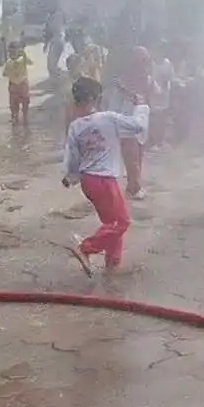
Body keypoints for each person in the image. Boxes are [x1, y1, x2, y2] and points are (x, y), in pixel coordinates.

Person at [62, 75, 148, 275]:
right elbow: (138, 126)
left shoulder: (75, 126)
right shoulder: (108, 118)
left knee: (111, 225)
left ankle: (112, 266)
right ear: (94, 98)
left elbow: (72, 157)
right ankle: (85, 248)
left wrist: (71, 177)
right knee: (121, 222)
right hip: (104, 180)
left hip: (89, 182)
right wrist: (141, 106)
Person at [112, 47, 153, 199]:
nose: (142, 65)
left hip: (142, 122)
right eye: (139, 61)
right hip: (126, 123)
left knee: (139, 156)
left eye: (144, 61)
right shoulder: (121, 82)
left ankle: (132, 185)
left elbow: (150, 102)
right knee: (132, 158)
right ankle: (135, 188)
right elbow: (114, 105)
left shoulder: (148, 80)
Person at [3, 43, 34, 128]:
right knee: (14, 105)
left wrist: (24, 55)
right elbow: (4, 74)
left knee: (25, 103)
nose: (12, 54)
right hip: (14, 85)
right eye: (10, 52)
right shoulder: (9, 62)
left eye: (14, 51)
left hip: (22, 84)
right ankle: (15, 119)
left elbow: (31, 63)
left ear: (18, 51)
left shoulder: (23, 59)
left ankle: (24, 120)